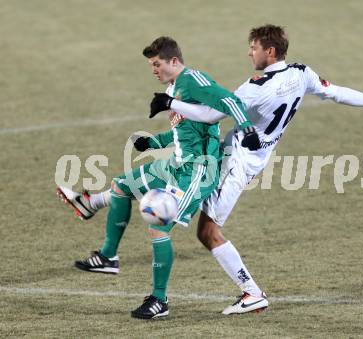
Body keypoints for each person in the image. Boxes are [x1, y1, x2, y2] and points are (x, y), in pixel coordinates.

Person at [148, 24, 363, 315]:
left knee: (208, 232)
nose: (249, 52)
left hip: (237, 161)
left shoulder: (254, 88)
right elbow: (337, 93)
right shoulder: (301, 72)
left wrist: (171, 102)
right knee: (193, 198)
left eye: (253, 47)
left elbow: (210, 115)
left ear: (269, 51)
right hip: (253, 155)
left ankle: (251, 293)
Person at [56, 36, 261, 320]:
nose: (154, 69)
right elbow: (185, 132)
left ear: (174, 61)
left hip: (196, 172)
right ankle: (107, 257)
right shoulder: (174, 88)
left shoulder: (192, 80)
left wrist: (248, 127)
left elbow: (229, 100)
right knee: (121, 185)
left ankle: (159, 300)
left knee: (158, 228)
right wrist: (154, 142)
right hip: (175, 164)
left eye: (157, 64)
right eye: (152, 65)